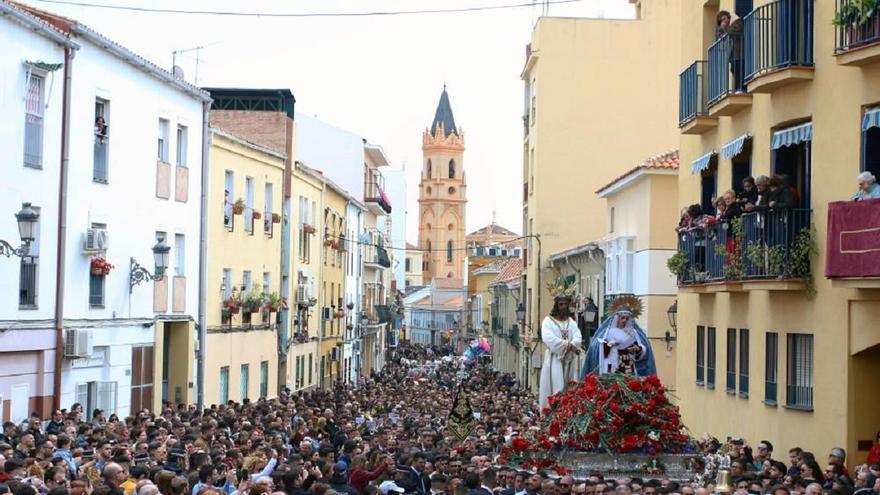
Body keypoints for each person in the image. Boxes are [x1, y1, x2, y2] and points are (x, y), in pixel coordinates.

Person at [582, 298, 656, 377]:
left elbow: (642, 351)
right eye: (622, 318)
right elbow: (596, 347)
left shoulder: (632, 333)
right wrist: (609, 345)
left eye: (627, 318)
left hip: (627, 368)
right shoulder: (608, 333)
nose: (624, 320)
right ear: (617, 318)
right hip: (611, 366)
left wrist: (638, 349)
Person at [538, 291, 583, 411]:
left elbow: (578, 336)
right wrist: (567, 345)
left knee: (570, 385)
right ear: (556, 306)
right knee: (555, 385)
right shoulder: (548, 322)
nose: (563, 307)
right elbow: (548, 338)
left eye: (565, 304)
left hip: (569, 359)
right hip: (554, 358)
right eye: (561, 304)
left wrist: (572, 345)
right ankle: (553, 409)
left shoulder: (571, 322)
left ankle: (568, 408)